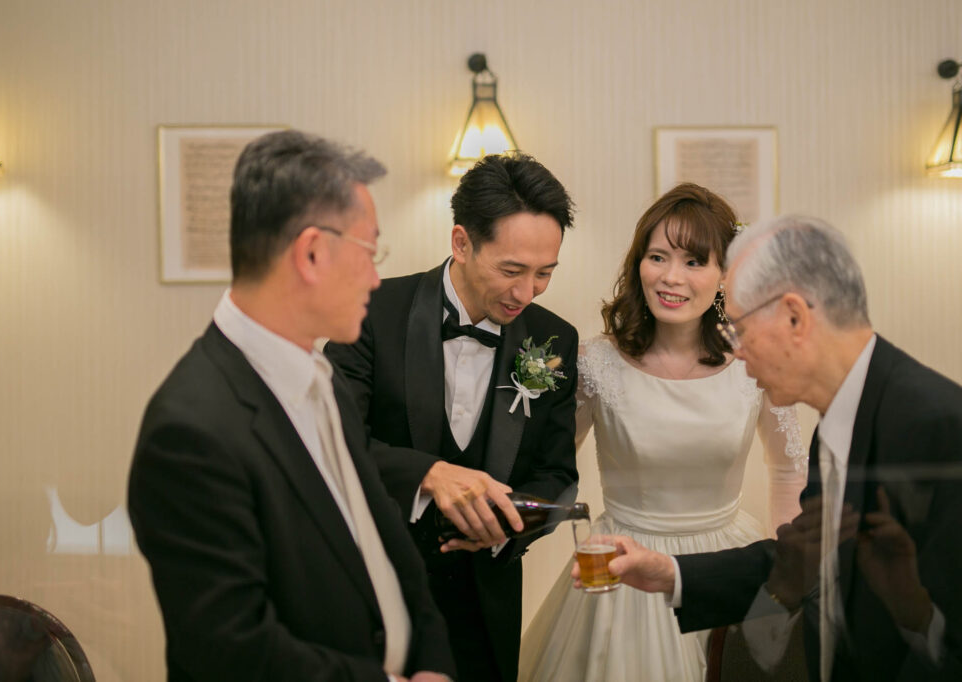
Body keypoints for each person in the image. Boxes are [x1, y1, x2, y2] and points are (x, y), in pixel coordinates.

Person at [128, 130, 455, 682]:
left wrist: (433, 664)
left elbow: (385, 544)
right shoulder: (190, 429)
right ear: (311, 253)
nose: (375, 278)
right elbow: (229, 648)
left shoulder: (323, 378)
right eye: (369, 252)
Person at [583, 215, 962, 680]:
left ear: (794, 318)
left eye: (739, 329)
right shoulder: (841, 419)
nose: (736, 352)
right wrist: (670, 572)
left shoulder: (937, 428)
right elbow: (807, 556)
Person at [518, 183, 807, 681]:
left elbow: (787, 469)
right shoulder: (595, 364)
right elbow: (548, 467)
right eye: (657, 257)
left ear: (725, 274)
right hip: (623, 569)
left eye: (694, 261)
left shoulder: (756, 359)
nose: (672, 277)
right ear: (638, 264)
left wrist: (791, 571)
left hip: (728, 566)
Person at [325, 152, 579, 682]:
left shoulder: (553, 339)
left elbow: (558, 476)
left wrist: (506, 526)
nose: (526, 293)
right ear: (461, 242)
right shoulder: (371, 311)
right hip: (376, 595)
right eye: (511, 270)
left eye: (544, 273)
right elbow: (330, 441)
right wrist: (428, 474)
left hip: (486, 612)